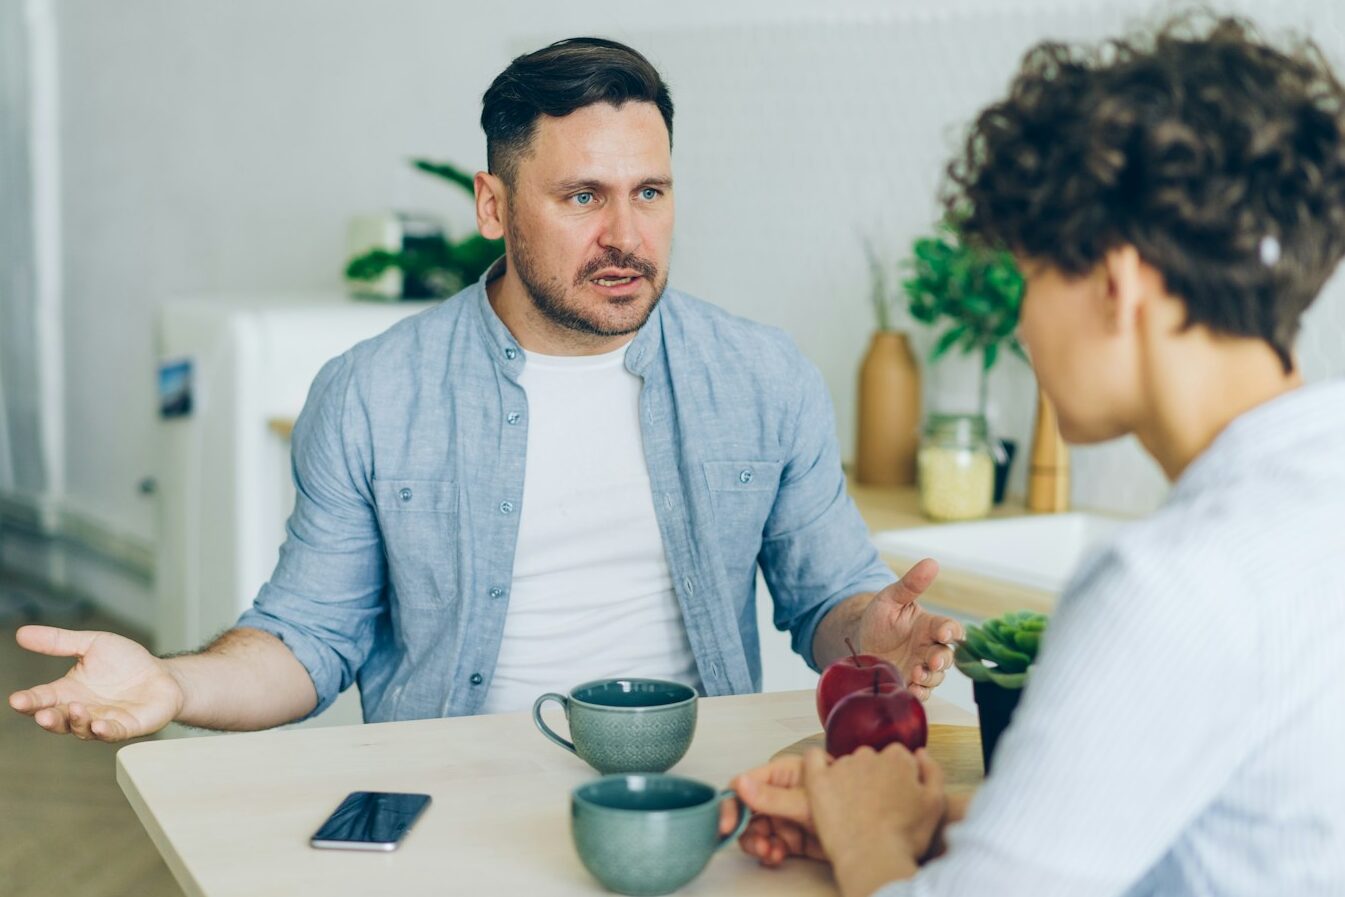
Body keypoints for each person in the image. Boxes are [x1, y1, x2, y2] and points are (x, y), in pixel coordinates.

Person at [8, 37, 960, 742]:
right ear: (494, 205)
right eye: (583, 197)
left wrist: (869, 628)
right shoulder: (374, 393)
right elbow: (306, 639)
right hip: (446, 792)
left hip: (693, 793)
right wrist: (174, 683)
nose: (627, 236)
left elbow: (826, 601)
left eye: (651, 193)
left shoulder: (761, 377)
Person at [725, 14, 1345, 897]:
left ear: (1114, 282)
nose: (1017, 324)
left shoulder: (1171, 586)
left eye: (1026, 274)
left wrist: (866, 835)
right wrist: (942, 826)